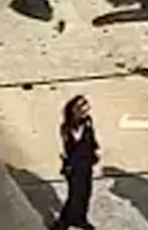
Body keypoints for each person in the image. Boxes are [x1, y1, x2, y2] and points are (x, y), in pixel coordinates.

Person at [54, 95, 99, 230]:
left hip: (86, 163)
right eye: (82, 108)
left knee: (86, 193)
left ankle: (81, 218)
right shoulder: (66, 128)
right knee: (74, 195)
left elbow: (92, 138)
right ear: (74, 110)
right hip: (74, 166)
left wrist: (96, 150)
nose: (86, 112)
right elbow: (67, 149)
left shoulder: (88, 122)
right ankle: (64, 221)